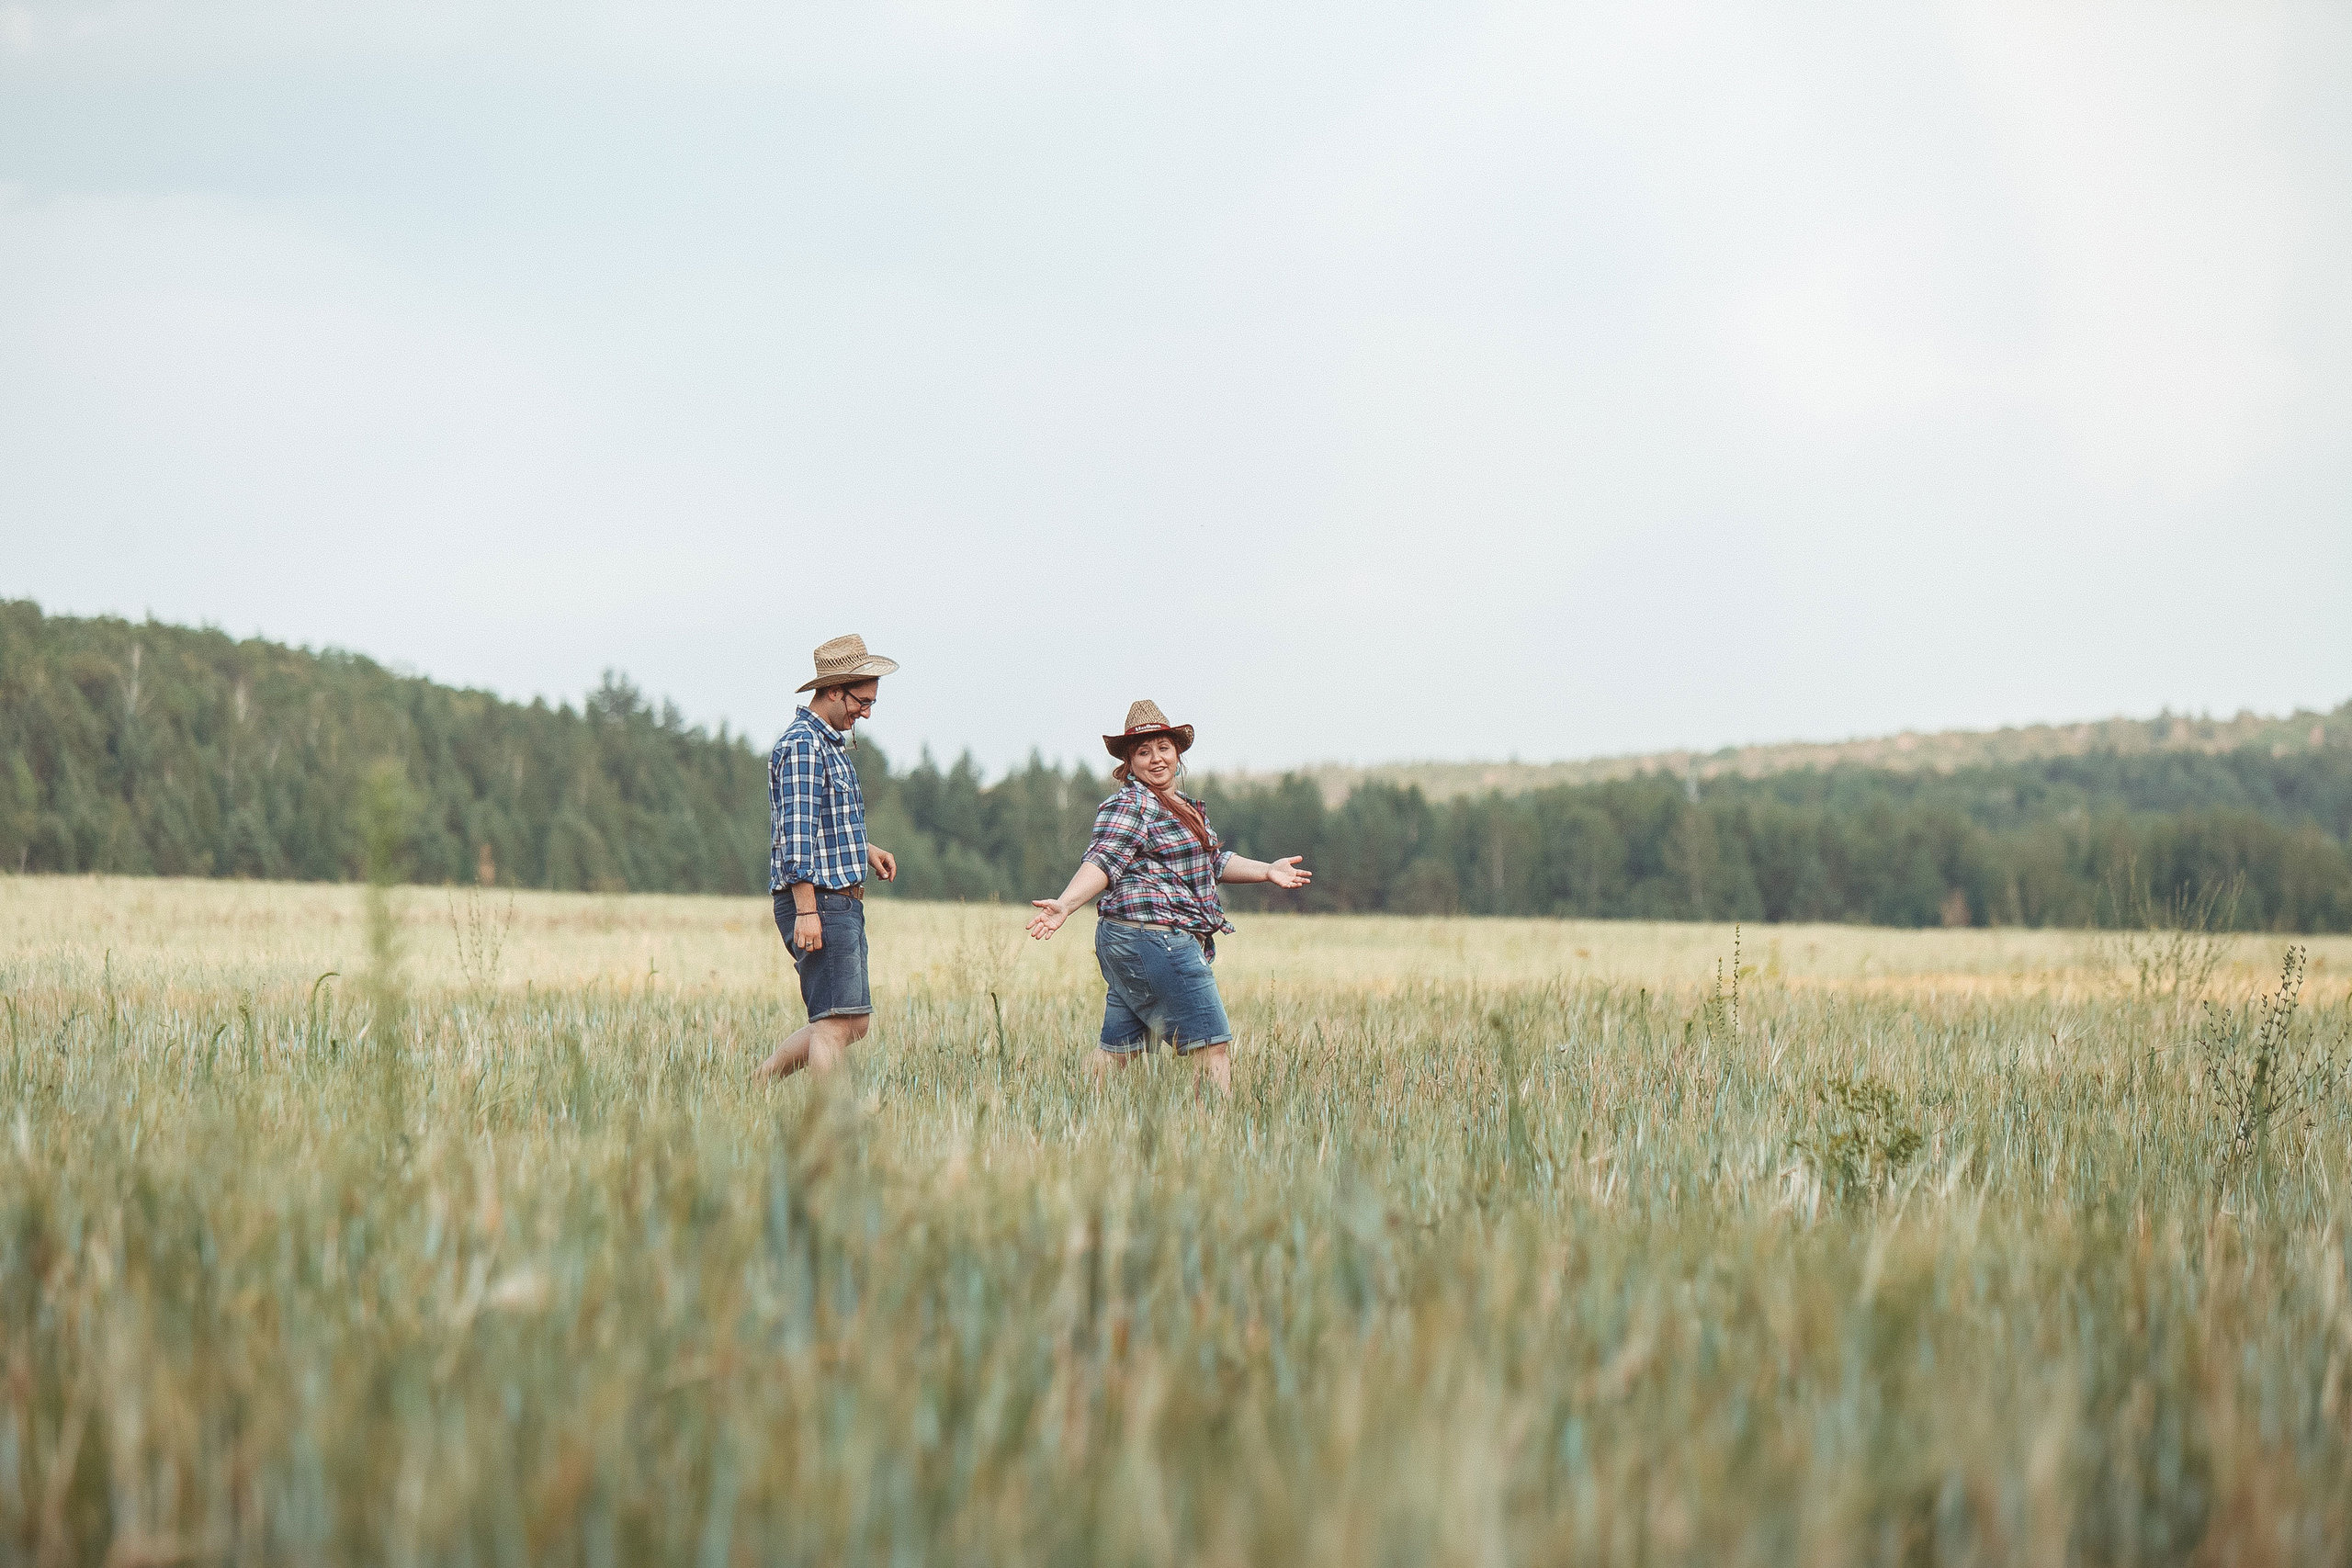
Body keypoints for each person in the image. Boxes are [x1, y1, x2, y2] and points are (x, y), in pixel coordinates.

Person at [1025, 699, 1311, 1093]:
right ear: (1129, 762)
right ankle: (1214, 1142)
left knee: (1118, 1052)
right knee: (1213, 1047)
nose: (1156, 759)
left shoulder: (1181, 807)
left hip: (1130, 940)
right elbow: (1104, 860)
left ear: (1177, 752)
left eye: (1163, 748)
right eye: (1143, 752)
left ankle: (1071, 1118)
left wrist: (1266, 870)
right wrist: (1066, 904)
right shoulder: (1132, 803)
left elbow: (1210, 862)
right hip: (1155, 939)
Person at [757, 634, 900, 1078]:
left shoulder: (829, 743)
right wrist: (805, 909)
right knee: (833, 1025)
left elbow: (821, 821)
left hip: (838, 898)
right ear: (834, 690)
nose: (867, 712)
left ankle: (760, 1081)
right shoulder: (804, 744)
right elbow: (795, 833)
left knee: (852, 1021)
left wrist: (865, 849)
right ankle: (826, 1123)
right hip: (817, 900)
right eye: (862, 700)